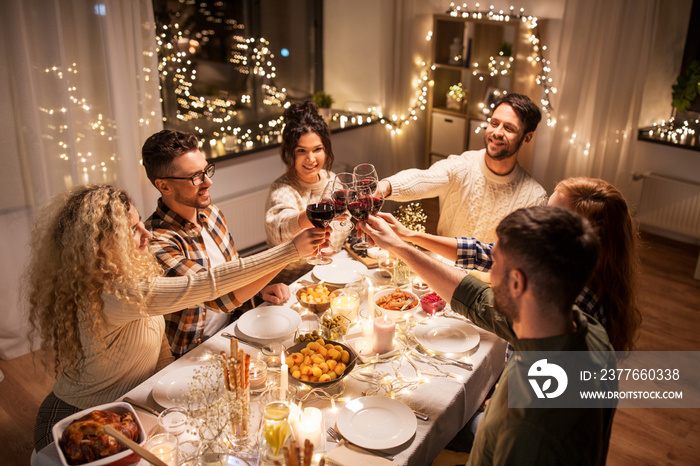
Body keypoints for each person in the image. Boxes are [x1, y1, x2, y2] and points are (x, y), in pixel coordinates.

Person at [26, 184, 326, 452]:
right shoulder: (112, 293)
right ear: (102, 246)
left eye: (139, 222)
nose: (145, 232)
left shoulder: (131, 274)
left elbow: (160, 348)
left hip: (128, 410)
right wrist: (289, 251)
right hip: (79, 422)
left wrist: (171, 399)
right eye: (131, 230)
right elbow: (206, 285)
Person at [359, 206, 616, 464]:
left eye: (495, 264)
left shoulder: (530, 432)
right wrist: (398, 246)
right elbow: (475, 297)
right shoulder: (580, 327)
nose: (488, 277)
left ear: (517, 284)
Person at [378, 177, 641, 352]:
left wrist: (401, 249)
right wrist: (408, 235)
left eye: (551, 217)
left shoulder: (573, 301)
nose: (540, 219)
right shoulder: (563, 263)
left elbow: (482, 304)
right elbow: (485, 253)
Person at [142, 130, 296, 357]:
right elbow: (217, 298)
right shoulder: (157, 240)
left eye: (206, 171)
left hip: (233, 330)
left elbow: (233, 274)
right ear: (164, 186)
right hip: (191, 355)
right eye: (195, 177)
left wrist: (260, 290)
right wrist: (290, 252)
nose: (208, 181)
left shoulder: (212, 213)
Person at [377, 93, 547, 242]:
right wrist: (384, 187)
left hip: (490, 279)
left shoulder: (534, 197)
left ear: (527, 138)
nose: (497, 132)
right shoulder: (462, 166)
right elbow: (425, 178)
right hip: (442, 270)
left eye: (508, 128)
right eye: (494, 123)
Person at [264, 101, 338, 283]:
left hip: (332, 274)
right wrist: (312, 215)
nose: (311, 159)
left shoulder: (332, 180)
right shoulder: (281, 190)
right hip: (291, 283)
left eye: (317, 149)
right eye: (301, 151)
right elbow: (279, 230)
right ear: (290, 153)